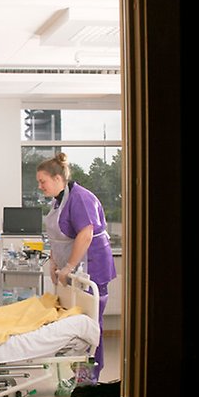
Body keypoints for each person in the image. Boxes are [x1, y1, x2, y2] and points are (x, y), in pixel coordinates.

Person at [36, 152, 116, 376]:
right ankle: (79, 370)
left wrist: (68, 268)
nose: (40, 186)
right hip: (72, 272)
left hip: (92, 268)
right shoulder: (58, 201)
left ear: (57, 178)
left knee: (91, 324)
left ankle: (90, 376)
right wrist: (54, 263)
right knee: (78, 323)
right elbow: (58, 237)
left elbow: (86, 234)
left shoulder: (80, 197)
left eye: (42, 181)